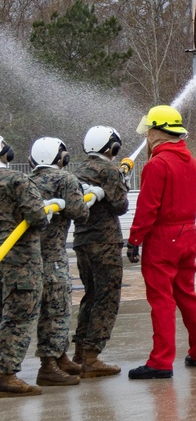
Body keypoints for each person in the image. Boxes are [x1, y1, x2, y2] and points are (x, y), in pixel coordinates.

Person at [126, 105, 196, 380]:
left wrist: (135, 239)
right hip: (188, 233)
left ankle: (161, 361)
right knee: (187, 295)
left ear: (156, 131)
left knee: (161, 299)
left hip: (164, 238)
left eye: (149, 131)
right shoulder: (192, 162)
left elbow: (147, 207)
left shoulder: (158, 164)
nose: (147, 136)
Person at [29, 137, 93, 387]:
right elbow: (80, 214)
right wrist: (83, 196)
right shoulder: (65, 179)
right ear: (61, 158)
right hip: (54, 257)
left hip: (31, 257)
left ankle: (60, 356)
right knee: (57, 310)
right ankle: (48, 365)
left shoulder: (29, 181)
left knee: (49, 309)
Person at [71, 125, 130, 378]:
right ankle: (92, 357)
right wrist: (122, 183)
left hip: (81, 241)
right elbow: (120, 205)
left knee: (91, 296)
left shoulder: (78, 170)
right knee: (106, 299)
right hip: (105, 243)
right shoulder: (109, 170)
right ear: (112, 148)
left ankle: (79, 352)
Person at [0, 135, 50, 397]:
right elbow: (37, 218)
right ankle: (6, 374)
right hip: (20, 262)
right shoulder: (17, 180)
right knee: (19, 316)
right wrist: (48, 211)